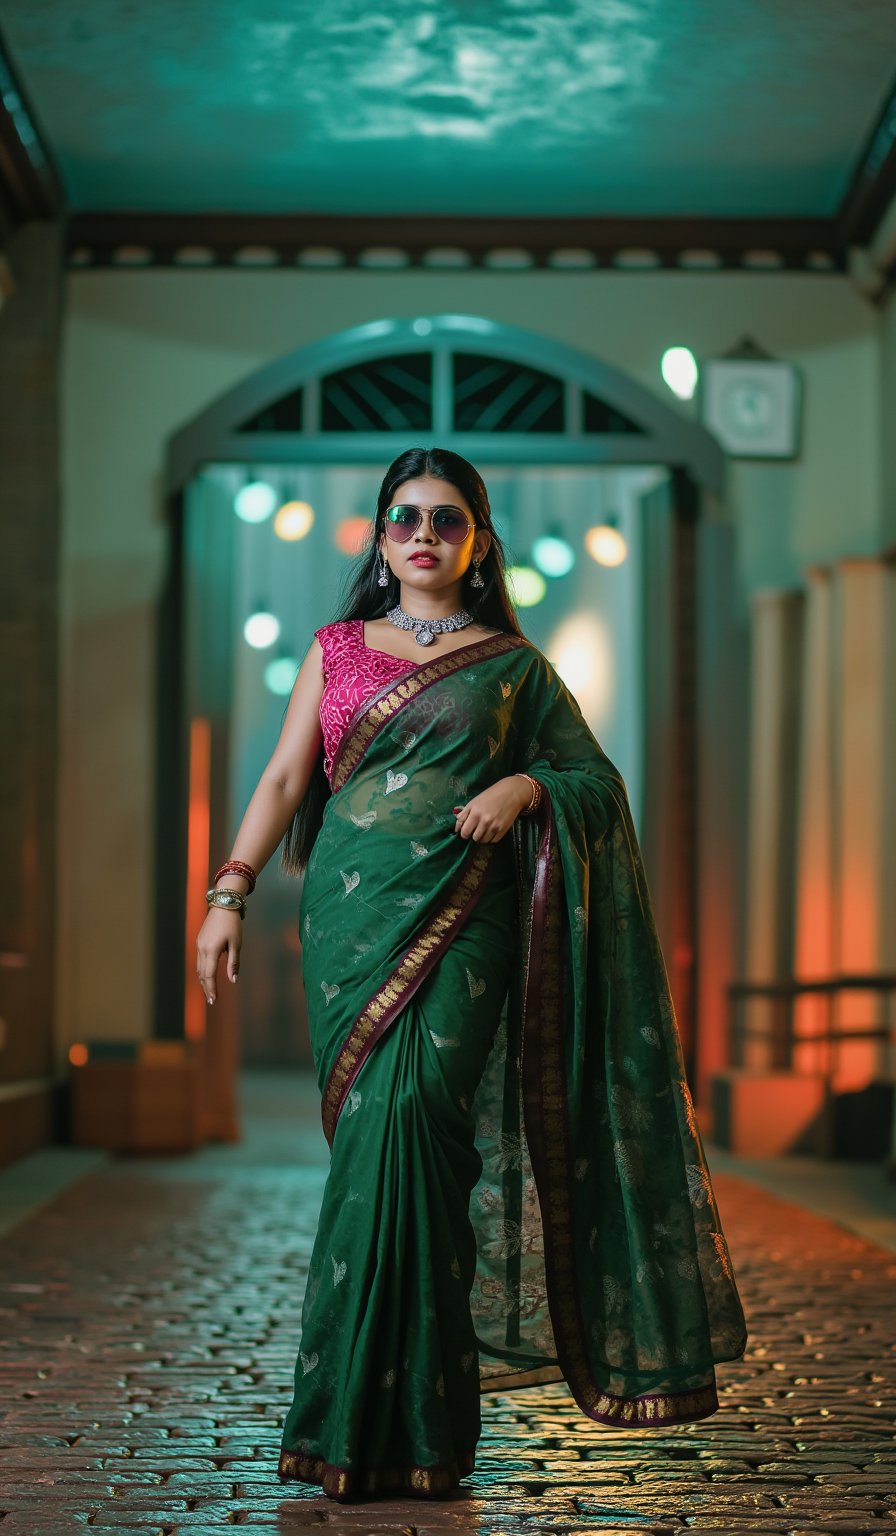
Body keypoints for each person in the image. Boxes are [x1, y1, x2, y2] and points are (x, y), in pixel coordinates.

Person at [196, 446, 748, 1504]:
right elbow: (280, 776)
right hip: (353, 920)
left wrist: (527, 788)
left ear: (477, 542)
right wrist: (228, 893)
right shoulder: (335, 648)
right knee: (373, 1140)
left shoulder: (514, 668)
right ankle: (357, 1424)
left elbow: (591, 776)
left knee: (419, 1123)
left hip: (466, 922)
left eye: (444, 518)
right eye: (402, 515)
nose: (421, 533)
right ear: (378, 534)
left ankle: (418, 1425)